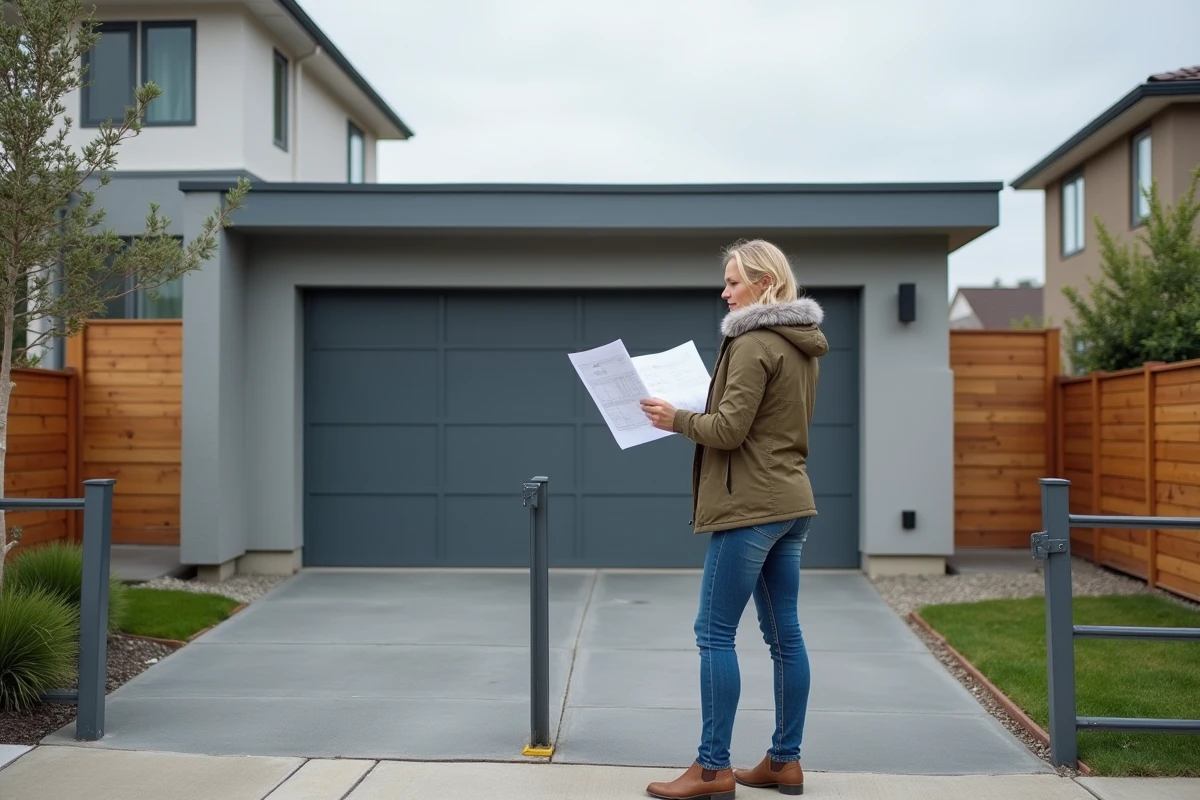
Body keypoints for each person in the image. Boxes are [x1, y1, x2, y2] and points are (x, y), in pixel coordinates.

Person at [638, 239, 828, 800]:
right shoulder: (801, 344)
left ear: (764, 283)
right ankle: (784, 762)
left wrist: (676, 419)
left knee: (714, 634)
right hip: (791, 503)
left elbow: (728, 430)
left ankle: (712, 769)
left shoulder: (750, 342)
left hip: (751, 508)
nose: (724, 292)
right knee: (785, 636)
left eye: (733, 281)